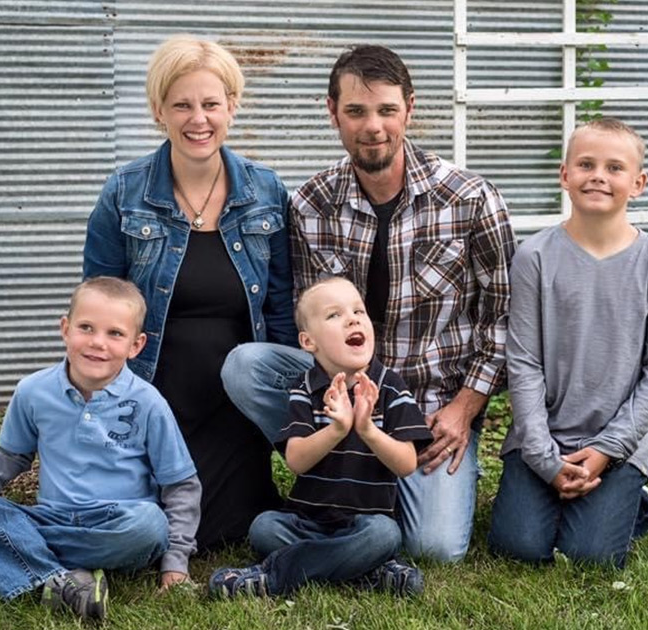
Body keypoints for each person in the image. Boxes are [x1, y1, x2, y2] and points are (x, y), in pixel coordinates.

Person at [222, 44, 516, 563]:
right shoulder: (312, 202)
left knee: (435, 548)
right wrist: (332, 407)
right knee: (247, 365)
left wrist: (464, 408)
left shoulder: (471, 199)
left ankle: (372, 501)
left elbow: (504, 318)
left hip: (429, 404)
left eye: (386, 110)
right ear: (332, 111)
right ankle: (337, 467)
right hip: (339, 394)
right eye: (356, 111)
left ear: (410, 108)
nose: (372, 126)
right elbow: (310, 317)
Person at [82, 36, 298, 550]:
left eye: (210, 104)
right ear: (159, 110)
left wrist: (292, 404)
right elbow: (97, 306)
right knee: (148, 529)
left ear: (232, 106)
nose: (197, 119)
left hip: (234, 404)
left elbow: (281, 308)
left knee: (227, 529)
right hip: (154, 396)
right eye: (181, 104)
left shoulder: (266, 192)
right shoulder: (124, 192)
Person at [0, 277, 201, 621]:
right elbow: (9, 457)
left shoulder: (148, 403)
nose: (98, 343)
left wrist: (174, 563)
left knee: (150, 525)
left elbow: (180, 486)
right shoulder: (33, 391)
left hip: (118, 522)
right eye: (86, 327)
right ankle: (64, 581)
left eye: (115, 334)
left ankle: (8, 562)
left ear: (136, 345)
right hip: (50, 517)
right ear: (65, 328)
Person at [486, 118, 648, 569]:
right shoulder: (534, 257)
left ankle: (632, 496)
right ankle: (552, 494)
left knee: (590, 557)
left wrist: (608, 449)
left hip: (616, 440)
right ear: (564, 175)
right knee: (518, 549)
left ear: (638, 183)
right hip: (541, 436)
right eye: (586, 164)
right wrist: (543, 457)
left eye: (615, 168)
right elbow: (524, 362)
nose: (598, 175)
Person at [209, 277, 434, 598]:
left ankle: (275, 576)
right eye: (334, 315)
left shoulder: (390, 386)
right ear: (308, 341)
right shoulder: (307, 388)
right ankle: (367, 571)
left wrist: (367, 429)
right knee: (264, 527)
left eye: (359, 311)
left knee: (385, 535)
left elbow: (406, 464)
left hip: (365, 523)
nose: (353, 318)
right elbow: (297, 461)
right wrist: (336, 430)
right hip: (307, 523)